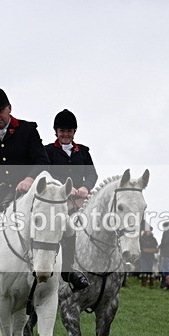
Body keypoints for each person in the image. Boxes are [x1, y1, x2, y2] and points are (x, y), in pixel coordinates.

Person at [0, 87, 88, 297]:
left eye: (0, 111)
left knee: (64, 222)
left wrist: (29, 178)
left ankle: (68, 271)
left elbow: (42, 161)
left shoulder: (27, 130)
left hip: (27, 196)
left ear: (9, 108)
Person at [44, 109, 99, 286]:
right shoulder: (48, 151)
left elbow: (92, 174)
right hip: (57, 199)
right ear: (56, 131)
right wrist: (65, 186)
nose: (66, 134)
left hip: (80, 200)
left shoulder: (83, 152)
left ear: (74, 132)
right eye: (62, 131)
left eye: (69, 131)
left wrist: (85, 187)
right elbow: (47, 172)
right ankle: (66, 269)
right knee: (66, 226)